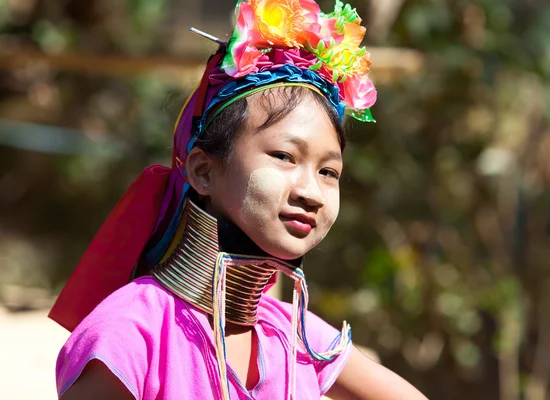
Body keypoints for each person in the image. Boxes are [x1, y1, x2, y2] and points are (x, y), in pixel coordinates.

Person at [50, 1, 428, 399]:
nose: (311, 192)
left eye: (328, 172)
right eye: (284, 157)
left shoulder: (296, 335)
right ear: (203, 171)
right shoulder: (130, 332)